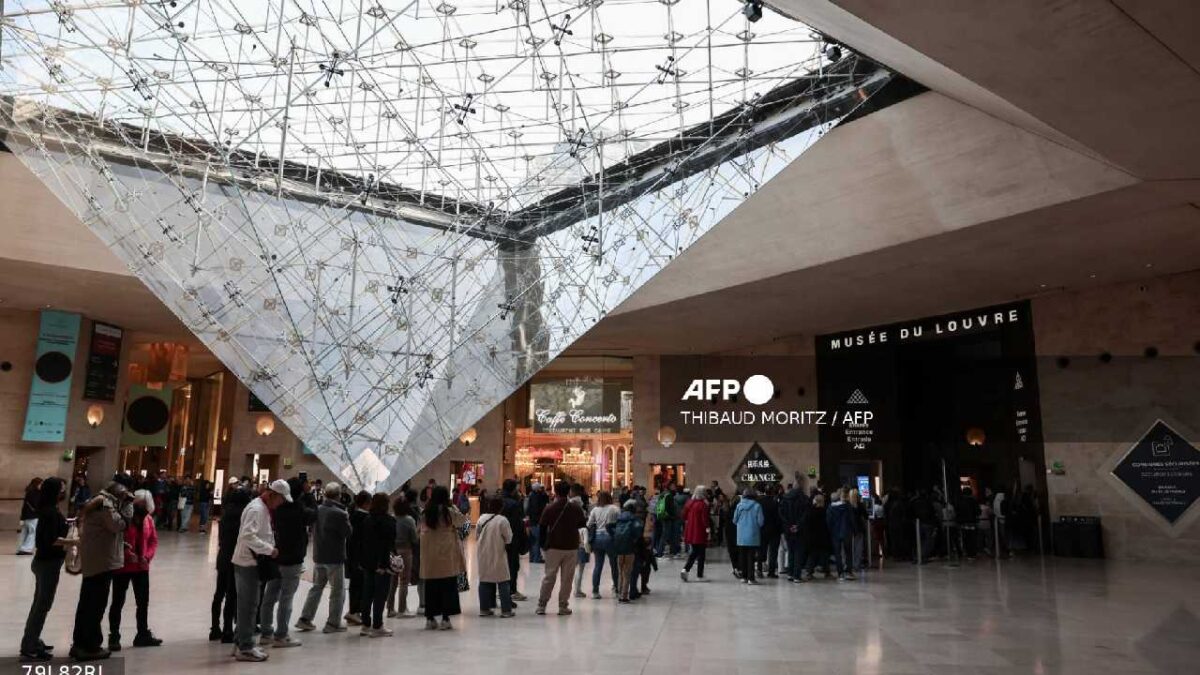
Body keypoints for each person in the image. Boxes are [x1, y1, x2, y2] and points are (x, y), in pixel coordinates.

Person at [70, 481, 133, 661]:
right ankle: (91, 646)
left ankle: (80, 643)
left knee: (86, 604)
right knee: (95, 605)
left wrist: (121, 543)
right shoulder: (105, 505)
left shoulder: (98, 501)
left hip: (95, 560)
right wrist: (128, 507)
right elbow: (117, 525)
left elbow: (105, 532)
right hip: (101, 563)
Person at [230, 480, 289, 663]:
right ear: (273, 495)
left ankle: (241, 641)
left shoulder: (262, 508)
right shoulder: (257, 509)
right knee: (248, 606)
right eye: (281, 500)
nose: (281, 504)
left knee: (247, 605)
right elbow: (247, 536)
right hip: (248, 563)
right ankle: (245, 647)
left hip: (250, 562)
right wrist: (269, 549)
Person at [21, 477, 72, 661]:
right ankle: (29, 645)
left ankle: (32, 639)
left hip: (45, 562)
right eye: (62, 489)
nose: (64, 492)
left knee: (39, 604)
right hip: (47, 563)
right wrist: (74, 542)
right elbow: (51, 540)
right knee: (42, 606)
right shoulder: (50, 512)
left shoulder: (50, 510)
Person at [259, 478, 313, 648]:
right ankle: (281, 635)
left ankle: (266, 632)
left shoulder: (276, 510)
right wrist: (309, 497)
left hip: (276, 557)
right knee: (286, 598)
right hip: (293, 560)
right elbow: (313, 515)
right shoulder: (298, 509)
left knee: (270, 596)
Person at [107, 490, 162, 651]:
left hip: (141, 566)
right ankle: (114, 636)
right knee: (118, 602)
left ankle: (142, 634)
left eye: (144, 505)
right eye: (138, 504)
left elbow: (153, 540)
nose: (141, 507)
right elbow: (117, 539)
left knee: (143, 602)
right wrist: (126, 553)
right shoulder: (124, 519)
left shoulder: (149, 520)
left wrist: (147, 556)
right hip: (123, 567)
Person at [297, 482, 350, 634]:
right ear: (339, 495)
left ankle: (305, 619)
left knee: (316, 588)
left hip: (319, 555)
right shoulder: (340, 513)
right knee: (337, 591)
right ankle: (333, 623)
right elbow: (348, 532)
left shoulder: (318, 510)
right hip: (334, 557)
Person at [536, 480, 587, 616]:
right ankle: (563, 606)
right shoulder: (576, 508)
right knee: (567, 578)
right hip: (571, 546)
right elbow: (582, 524)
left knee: (549, 576)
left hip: (553, 546)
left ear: (556, 492)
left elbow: (542, 528)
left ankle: (542, 605)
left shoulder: (549, 508)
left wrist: (542, 545)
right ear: (569, 492)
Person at [419, 486, 466, 630]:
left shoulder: (426, 512)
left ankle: (430, 618)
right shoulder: (449, 512)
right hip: (446, 557)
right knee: (447, 588)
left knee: (431, 588)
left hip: (430, 557)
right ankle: (445, 619)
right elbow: (462, 521)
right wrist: (453, 506)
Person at [211, 477, 248, 642]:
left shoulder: (226, 515)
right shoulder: (244, 516)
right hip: (235, 558)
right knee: (232, 595)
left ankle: (214, 628)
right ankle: (227, 630)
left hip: (223, 556)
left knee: (219, 593)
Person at [358, 493, 397, 637]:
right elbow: (388, 545)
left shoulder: (367, 520)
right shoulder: (389, 521)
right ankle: (377, 625)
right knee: (380, 595)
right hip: (382, 563)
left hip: (368, 562)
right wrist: (384, 564)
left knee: (367, 593)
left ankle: (365, 624)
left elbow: (363, 542)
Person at [475, 496, 515, 617]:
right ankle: (506, 610)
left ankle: (484, 609)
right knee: (503, 581)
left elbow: (477, 536)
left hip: (483, 553)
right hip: (498, 553)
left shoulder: (481, 519)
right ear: (501, 507)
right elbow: (509, 539)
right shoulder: (502, 520)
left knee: (484, 580)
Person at [585, 491, 621, 597]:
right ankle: (616, 588)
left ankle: (595, 591)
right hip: (610, 538)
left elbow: (589, 524)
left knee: (598, 565)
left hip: (597, 539)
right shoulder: (615, 509)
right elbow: (620, 522)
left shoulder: (595, 509)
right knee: (614, 564)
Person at [387, 497, 418, 618]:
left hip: (392, 551)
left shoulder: (391, 518)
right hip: (405, 551)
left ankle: (390, 609)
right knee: (404, 581)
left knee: (392, 581)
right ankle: (402, 609)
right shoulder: (409, 520)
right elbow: (414, 539)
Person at [344, 491, 371, 626]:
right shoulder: (365, 518)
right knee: (360, 585)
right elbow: (364, 541)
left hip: (351, 555)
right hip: (360, 557)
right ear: (366, 503)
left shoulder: (352, 515)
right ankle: (355, 611)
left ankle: (354, 610)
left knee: (354, 585)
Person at [498, 479, 528, 600]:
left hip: (497, 537)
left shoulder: (497, 500)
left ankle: (501, 590)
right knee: (513, 565)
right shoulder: (514, 504)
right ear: (512, 489)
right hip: (512, 539)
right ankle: (511, 590)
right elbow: (517, 524)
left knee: (500, 564)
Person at [612, 501, 643, 603]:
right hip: (629, 548)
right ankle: (624, 596)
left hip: (618, 548)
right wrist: (635, 539)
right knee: (627, 572)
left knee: (620, 571)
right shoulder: (634, 519)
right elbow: (638, 531)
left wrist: (614, 537)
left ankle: (619, 592)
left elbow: (609, 526)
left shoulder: (619, 519)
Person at [732, 488, 764, 584]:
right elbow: (761, 522)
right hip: (753, 535)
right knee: (751, 557)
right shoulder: (757, 506)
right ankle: (751, 578)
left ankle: (744, 577)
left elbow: (734, 520)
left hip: (741, 536)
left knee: (742, 557)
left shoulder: (739, 505)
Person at [679, 486, 711, 582]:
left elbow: (683, 515)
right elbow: (704, 519)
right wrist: (708, 529)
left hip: (690, 530)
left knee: (695, 551)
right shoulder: (703, 505)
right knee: (701, 553)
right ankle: (699, 575)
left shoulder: (689, 503)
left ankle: (685, 569)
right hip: (700, 531)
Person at [826, 488, 854, 581]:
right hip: (846, 532)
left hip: (835, 533)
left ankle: (840, 573)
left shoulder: (830, 507)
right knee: (848, 552)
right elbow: (851, 519)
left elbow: (829, 522)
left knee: (838, 554)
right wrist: (854, 530)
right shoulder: (847, 506)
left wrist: (830, 531)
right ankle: (849, 572)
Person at [804, 494, 832, 580]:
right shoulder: (824, 511)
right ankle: (827, 572)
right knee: (824, 555)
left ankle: (809, 572)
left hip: (812, 536)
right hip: (823, 535)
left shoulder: (810, 511)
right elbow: (828, 523)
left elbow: (807, 524)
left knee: (812, 555)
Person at [758, 485, 782, 578]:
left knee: (761, 551)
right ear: (772, 492)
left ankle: (759, 570)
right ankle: (771, 572)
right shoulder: (775, 503)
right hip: (774, 531)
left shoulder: (759, 502)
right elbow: (779, 517)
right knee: (773, 552)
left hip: (762, 530)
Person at [17, 478, 42, 555]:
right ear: (37, 484)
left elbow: (24, 507)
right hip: (33, 516)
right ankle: (26, 549)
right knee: (32, 532)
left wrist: (22, 517)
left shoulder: (28, 492)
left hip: (27, 516)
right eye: (41, 484)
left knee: (25, 532)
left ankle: (21, 547)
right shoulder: (36, 493)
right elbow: (36, 504)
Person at [525, 482, 549, 564]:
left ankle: (532, 557)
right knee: (536, 540)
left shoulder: (531, 496)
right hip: (536, 521)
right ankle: (536, 558)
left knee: (533, 540)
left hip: (532, 521)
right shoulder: (536, 497)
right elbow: (536, 509)